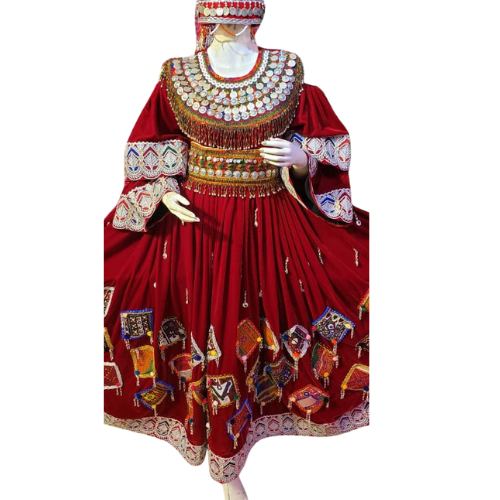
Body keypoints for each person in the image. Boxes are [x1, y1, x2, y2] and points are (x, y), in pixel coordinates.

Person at [104, 1, 369, 498]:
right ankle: (224, 467)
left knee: (335, 292)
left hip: (270, 225)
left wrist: (301, 157)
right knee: (157, 307)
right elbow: (152, 146)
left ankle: (234, 450)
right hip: (197, 225)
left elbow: (329, 147)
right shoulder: (177, 75)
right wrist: (162, 191)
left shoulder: (288, 71)